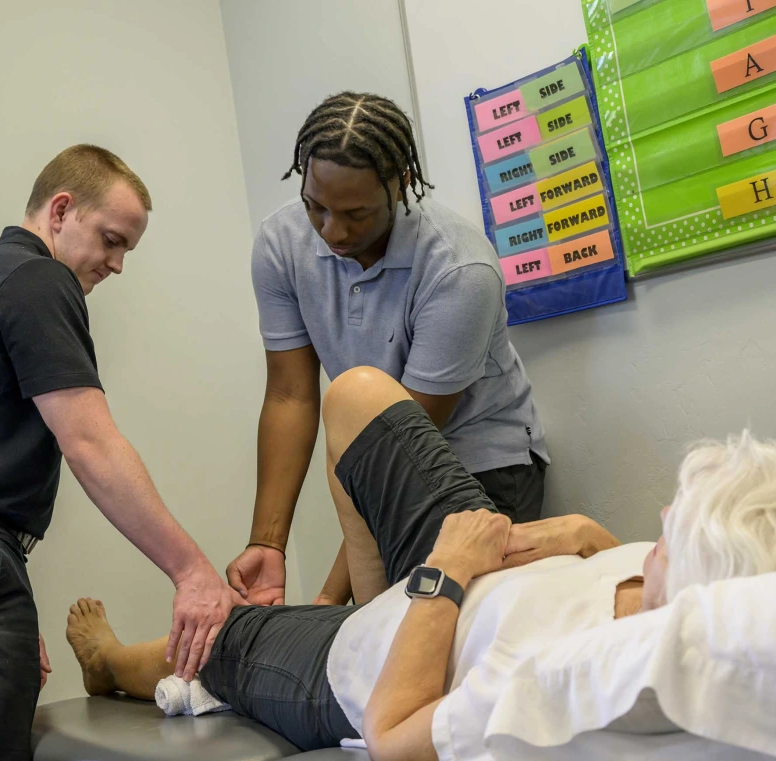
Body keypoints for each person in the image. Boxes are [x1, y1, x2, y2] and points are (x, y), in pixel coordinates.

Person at [64, 366, 776, 756]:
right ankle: (369, 600)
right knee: (359, 393)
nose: (657, 522)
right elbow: (612, 554)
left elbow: (393, 737)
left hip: (388, 651)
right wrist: (579, 532)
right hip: (478, 558)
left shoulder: (573, 675)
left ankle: (112, 663)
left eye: (670, 534)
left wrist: (443, 577)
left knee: (227, 638)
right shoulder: (661, 589)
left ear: (697, 589)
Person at [0, 145, 237, 761]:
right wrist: (192, 571)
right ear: (61, 210)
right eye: (111, 240)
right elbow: (90, 443)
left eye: (126, 250)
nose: (115, 264)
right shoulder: (37, 278)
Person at [227, 92, 549, 610]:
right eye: (316, 207)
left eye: (356, 213)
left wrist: (332, 597)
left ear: (400, 182)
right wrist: (268, 542)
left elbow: (401, 450)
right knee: (368, 632)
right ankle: (111, 662)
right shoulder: (280, 243)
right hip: (378, 453)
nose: (332, 231)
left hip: (478, 466)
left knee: (450, 640)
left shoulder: (459, 271)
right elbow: (290, 395)